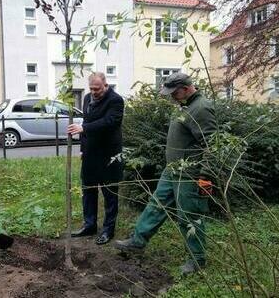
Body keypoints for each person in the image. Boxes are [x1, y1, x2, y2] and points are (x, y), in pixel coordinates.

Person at [114, 72, 217, 275]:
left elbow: (212, 144)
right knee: (156, 205)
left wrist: (206, 175)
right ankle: (138, 241)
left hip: (190, 174)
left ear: (186, 89)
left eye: (174, 93)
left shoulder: (201, 108)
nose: (171, 97)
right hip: (172, 170)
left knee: (189, 217)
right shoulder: (184, 105)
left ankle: (197, 260)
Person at [67, 72, 124, 245]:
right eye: (91, 88)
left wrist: (84, 128)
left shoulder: (116, 100)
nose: (93, 92)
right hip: (90, 154)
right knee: (88, 190)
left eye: (97, 89)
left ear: (105, 85)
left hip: (109, 155)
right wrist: (83, 149)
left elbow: (110, 122)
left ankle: (108, 230)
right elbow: (86, 120)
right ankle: (90, 225)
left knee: (110, 194)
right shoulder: (86, 98)